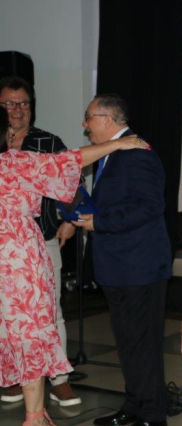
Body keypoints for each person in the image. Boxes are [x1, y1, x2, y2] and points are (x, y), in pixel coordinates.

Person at [0, 107, 147, 426]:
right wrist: (117, 144)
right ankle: (34, 418)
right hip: (18, 258)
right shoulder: (14, 163)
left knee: (11, 334)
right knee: (31, 333)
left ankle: (35, 414)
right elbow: (69, 161)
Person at [76, 94, 172, 426]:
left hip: (138, 266)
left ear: (107, 118)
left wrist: (99, 222)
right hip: (120, 265)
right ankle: (134, 404)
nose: (85, 125)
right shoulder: (114, 152)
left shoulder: (137, 153)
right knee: (128, 342)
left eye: (89, 117)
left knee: (142, 343)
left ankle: (153, 415)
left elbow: (149, 206)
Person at [0, 76, 81, 407]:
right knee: (6, 316)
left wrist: (69, 221)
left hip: (39, 240)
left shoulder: (48, 141)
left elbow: (73, 182)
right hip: (3, 247)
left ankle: (59, 380)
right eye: (10, 103)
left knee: (48, 311)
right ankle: (16, 376)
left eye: (24, 103)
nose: (18, 110)